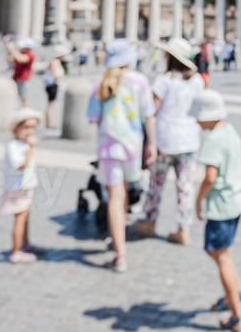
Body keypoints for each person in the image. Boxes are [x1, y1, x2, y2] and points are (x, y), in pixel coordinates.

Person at [87, 41, 156, 272]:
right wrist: (152, 144)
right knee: (124, 192)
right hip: (133, 146)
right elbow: (149, 115)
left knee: (115, 197)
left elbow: (92, 118)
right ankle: (120, 237)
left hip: (109, 147)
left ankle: (120, 254)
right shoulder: (140, 81)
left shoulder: (101, 83)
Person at [136, 36, 206, 245]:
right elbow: (197, 110)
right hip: (189, 139)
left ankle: (149, 221)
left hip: (165, 139)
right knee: (185, 186)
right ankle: (183, 228)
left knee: (156, 184)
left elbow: (151, 109)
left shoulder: (164, 81)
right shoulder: (197, 81)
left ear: (169, 57)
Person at [192, 89, 241, 332]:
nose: (196, 121)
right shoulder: (230, 130)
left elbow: (210, 177)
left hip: (221, 205)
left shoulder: (214, 139)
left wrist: (198, 200)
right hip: (236, 201)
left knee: (219, 254)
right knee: (223, 252)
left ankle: (236, 314)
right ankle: (235, 291)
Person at [1, 107, 44, 264]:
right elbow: (21, 166)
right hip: (17, 189)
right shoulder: (14, 146)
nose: (30, 132)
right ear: (16, 128)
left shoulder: (22, 144)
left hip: (24, 187)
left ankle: (25, 244)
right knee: (20, 219)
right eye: (26, 128)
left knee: (25, 217)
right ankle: (16, 251)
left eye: (33, 128)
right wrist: (31, 148)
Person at [42, 49, 67, 129]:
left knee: (51, 105)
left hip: (51, 85)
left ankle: (49, 123)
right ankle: (49, 123)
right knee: (50, 105)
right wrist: (62, 77)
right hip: (52, 85)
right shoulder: (55, 62)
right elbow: (55, 75)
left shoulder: (56, 61)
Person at [7, 37, 36, 104]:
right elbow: (10, 60)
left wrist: (12, 50)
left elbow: (20, 59)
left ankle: (25, 111)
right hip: (16, 78)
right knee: (15, 96)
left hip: (23, 79)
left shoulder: (30, 55)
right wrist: (9, 51)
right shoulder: (20, 53)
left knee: (24, 97)